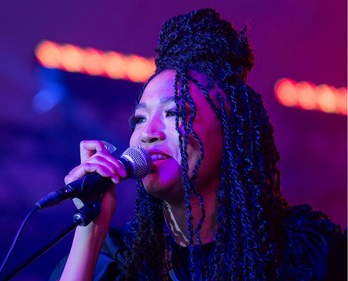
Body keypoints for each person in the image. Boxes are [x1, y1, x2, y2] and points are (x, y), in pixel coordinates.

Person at [50, 8, 346, 281]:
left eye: (173, 113)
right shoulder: (117, 260)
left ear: (229, 133)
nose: (147, 133)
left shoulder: (304, 254)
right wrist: (90, 229)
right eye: (139, 119)